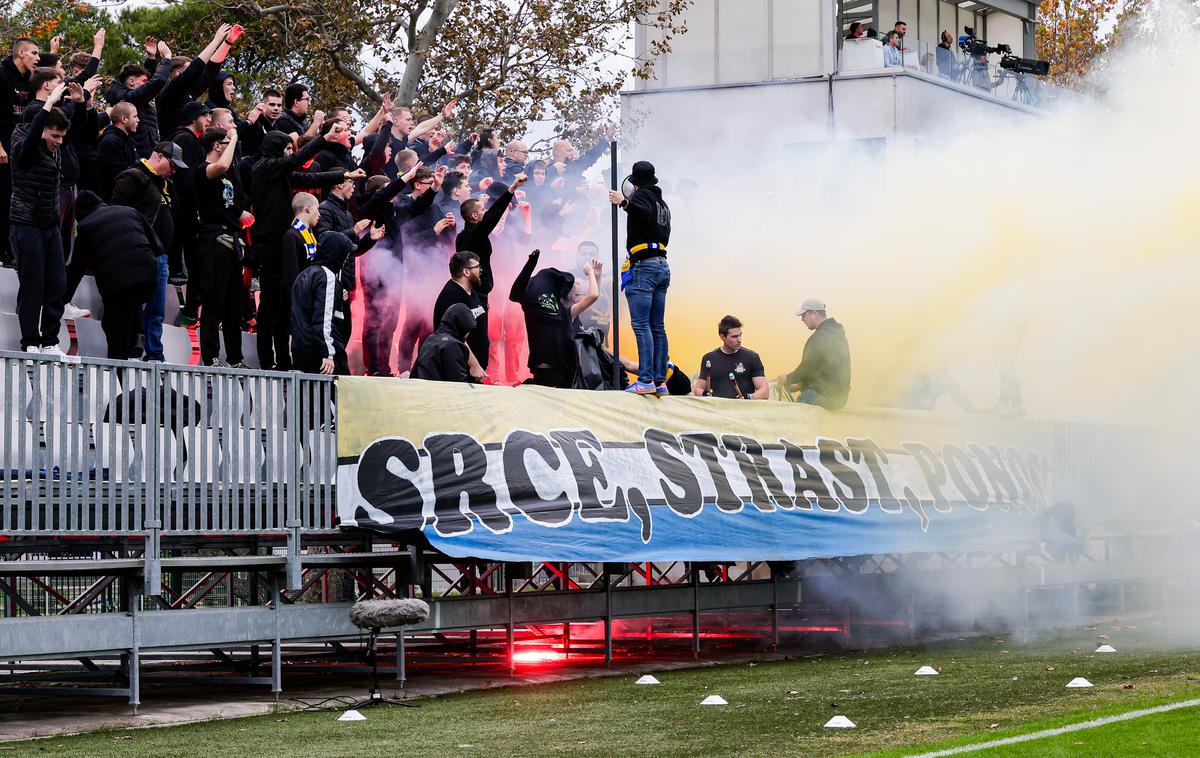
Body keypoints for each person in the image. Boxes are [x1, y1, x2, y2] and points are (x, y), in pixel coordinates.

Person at [111, 142, 188, 362]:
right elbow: (117, 212)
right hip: (138, 251)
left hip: (160, 254)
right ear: (160, 157)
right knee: (134, 303)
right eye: (173, 166)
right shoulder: (133, 177)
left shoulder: (166, 185)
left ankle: (155, 354)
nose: (174, 171)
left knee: (156, 309)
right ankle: (128, 349)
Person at [9, 82, 71, 354]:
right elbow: (30, 142)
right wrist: (47, 105)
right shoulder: (23, 141)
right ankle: (30, 341)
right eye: (55, 136)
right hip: (26, 224)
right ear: (43, 127)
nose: (59, 142)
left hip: (50, 225)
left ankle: (50, 341)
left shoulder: (54, 151)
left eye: (62, 137)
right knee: (32, 286)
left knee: (57, 284)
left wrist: (80, 103)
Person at [65, 191, 158, 359]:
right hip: (148, 276)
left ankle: (118, 374)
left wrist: (63, 299)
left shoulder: (86, 226)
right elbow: (158, 246)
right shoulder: (130, 211)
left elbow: (76, 270)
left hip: (117, 285)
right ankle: (137, 334)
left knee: (114, 329)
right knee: (133, 297)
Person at [607, 160, 671, 395]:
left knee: (641, 324)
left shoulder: (643, 196)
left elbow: (641, 211)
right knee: (658, 326)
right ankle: (659, 380)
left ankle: (645, 380)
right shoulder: (663, 204)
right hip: (662, 265)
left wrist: (623, 202)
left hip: (644, 266)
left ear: (635, 183)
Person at [454, 172, 527, 371]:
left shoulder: (465, 235)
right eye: (482, 209)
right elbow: (492, 217)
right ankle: (477, 374)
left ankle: (474, 373)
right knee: (479, 337)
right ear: (475, 216)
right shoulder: (474, 234)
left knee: (477, 335)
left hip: (476, 292)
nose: (486, 211)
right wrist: (511, 188)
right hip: (474, 294)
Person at [194, 126, 249, 367]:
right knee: (213, 302)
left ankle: (235, 358)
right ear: (217, 145)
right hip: (214, 241)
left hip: (234, 242)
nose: (231, 147)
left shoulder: (230, 172)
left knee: (234, 306)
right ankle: (211, 357)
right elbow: (221, 166)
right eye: (226, 143)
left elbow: (239, 200)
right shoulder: (202, 170)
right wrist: (234, 137)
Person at [508, 248, 599, 388]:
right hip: (546, 370)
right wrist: (530, 264)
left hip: (566, 370)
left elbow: (593, 296)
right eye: (576, 289)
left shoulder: (567, 312)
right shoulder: (537, 308)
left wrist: (595, 275)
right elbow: (516, 292)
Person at [290, 230, 357, 375]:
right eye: (345, 253)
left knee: (306, 397)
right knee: (335, 396)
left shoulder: (303, 275)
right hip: (322, 355)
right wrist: (328, 353)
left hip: (300, 350)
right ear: (337, 252)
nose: (346, 258)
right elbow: (323, 318)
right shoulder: (327, 276)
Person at [0, 38, 42, 266]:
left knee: (19, 197)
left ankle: (15, 249)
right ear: (21, 54)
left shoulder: (31, 79)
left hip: (20, 142)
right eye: (34, 53)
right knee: (4, 195)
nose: (37, 58)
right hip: (3, 140)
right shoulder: (2, 75)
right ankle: (4, 251)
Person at [778, 298, 851, 410]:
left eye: (804, 315)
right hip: (839, 398)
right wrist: (800, 386)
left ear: (813, 314)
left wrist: (787, 378)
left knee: (794, 417)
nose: (802, 319)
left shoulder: (820, 337)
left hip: (823, 396)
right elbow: (827, 371)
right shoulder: (838, 335)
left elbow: (808, 367)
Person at [431, 250, 488, 368]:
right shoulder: (451, 296)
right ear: (466, 272)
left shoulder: (471, 291)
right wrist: (474, 366)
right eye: (477, 267)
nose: (481, 271)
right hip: (459, 368)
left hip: (473, 368)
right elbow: (455, 336)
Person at [693, 315, 768, 400]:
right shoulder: (709, 358)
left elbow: (764, 392)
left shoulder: (752, 357)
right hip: (717, 410)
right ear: (722, 337)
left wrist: (748, 398)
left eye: (740, 335)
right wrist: (704, 394)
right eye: (734, 336)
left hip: (742, 410)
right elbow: (697, 389)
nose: (739, 339)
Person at [411, 303, 478, 383]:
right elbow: (459, 384)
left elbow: (413, 375)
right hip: (440, 393)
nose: (468, 333)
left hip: (422, 391)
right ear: (463, 326)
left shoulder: (429, 339)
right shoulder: (454, 346)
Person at [95, 102, 139, 200]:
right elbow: (121, 174)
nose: (138, 120)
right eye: (135, 116)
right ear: (124, 119)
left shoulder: (128, 140)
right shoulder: (110, 142)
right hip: (113, 200)